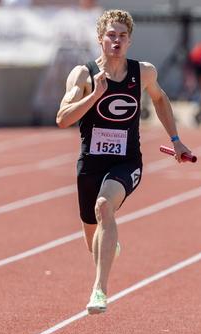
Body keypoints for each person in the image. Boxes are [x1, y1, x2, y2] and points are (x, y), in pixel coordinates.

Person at [56, 9, 192, 314]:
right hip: (90, 162)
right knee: (93, 233)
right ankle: (108, 244)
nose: (116, 41)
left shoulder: (143, 73)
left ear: (129, 41)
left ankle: (99, 291)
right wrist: (94, 96)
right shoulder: (83, 74)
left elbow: (159, 99)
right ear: (100, 39)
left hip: (126, 161)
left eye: (122, 36)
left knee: (104, 206)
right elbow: (62, 118)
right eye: (111, 35)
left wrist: (175, 139)